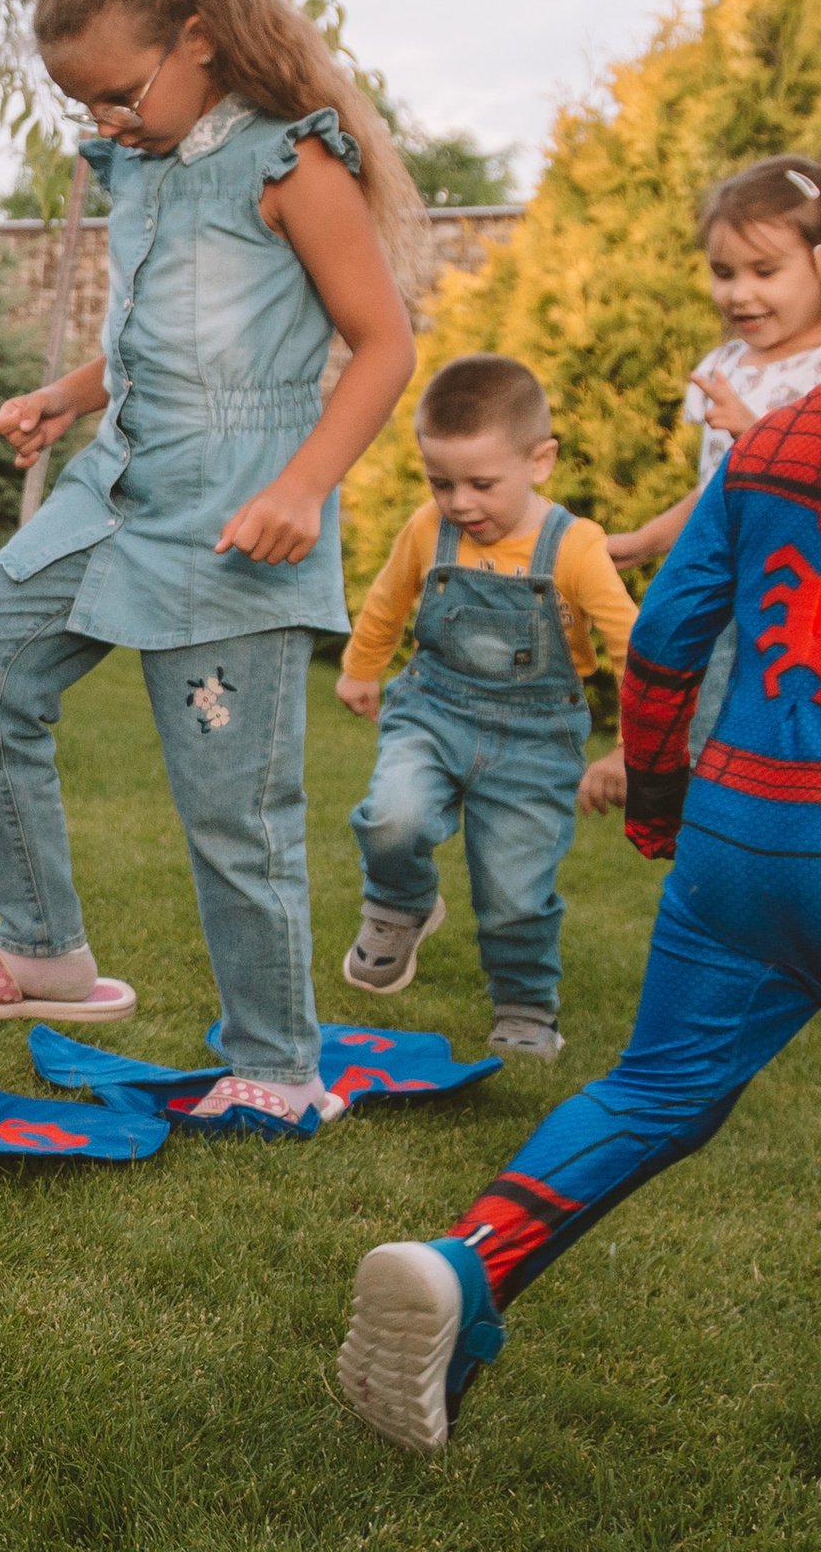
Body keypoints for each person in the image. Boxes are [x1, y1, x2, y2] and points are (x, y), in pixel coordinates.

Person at [0, 0, 421, 1131]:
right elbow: (171, 339)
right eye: (82, 103)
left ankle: (276, 1066)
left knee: (233, 811)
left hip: (236, 516)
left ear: (197, 38)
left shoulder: (290, 162)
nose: (105, 120)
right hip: (116, 483)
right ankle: (40, 949)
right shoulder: (138, 162)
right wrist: (69, 395)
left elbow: (380, 343)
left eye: (119, 93)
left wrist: (302, 486)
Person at [338, 371, 821, 1452]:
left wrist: (656, 791)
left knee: (652, 1090)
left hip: (745, 832)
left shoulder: (779, 437)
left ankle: (461, 1265)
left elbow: (661, 645)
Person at [333, 355, 634, 1064]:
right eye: (441, 483)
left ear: (541, 462)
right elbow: (387, 598)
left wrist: (636, 742)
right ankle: (399, 906)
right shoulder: (426, 531)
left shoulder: (575, 547)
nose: (460, 503)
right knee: (391, 817)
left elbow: (633, 646)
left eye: (480, 484)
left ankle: (526, 1003)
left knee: (517, 892)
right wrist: (360, 667)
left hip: (536, 738)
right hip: (434, 710)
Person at [604, 158, 821, 758]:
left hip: (792, 605)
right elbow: (717, 491)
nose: (739, 293)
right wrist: (648, 539)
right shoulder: (724, 365)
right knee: (702, 741)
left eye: (765, 271)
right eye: (723, 272)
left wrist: (755, 433)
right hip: (720, 591)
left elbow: (801, 481)